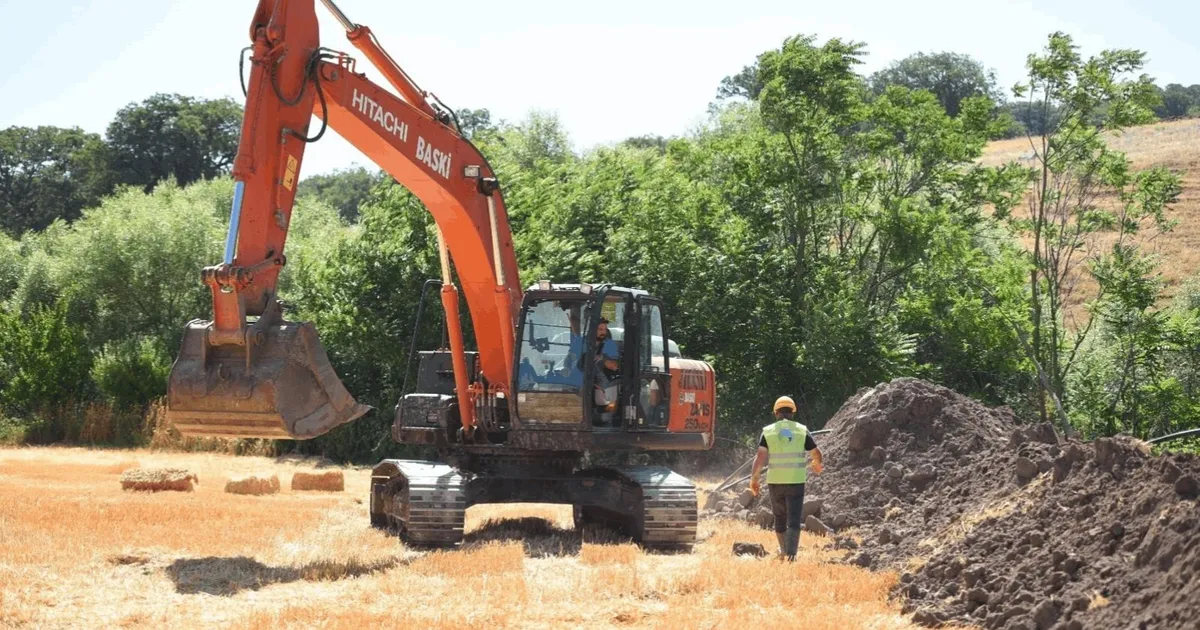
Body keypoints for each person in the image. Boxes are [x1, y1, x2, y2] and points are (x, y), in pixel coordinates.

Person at [750, 395, 823, 561]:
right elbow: (816, 453)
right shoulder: (801, 429)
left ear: (776, 413)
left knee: (779, 516)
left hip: (775, 481)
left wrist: (754, 479)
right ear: (793, 413)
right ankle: (791, 555)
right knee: (794, 518)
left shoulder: (768, 431)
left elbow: (760, 456)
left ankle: (783, 549)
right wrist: (817, 464)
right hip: (796, 480)